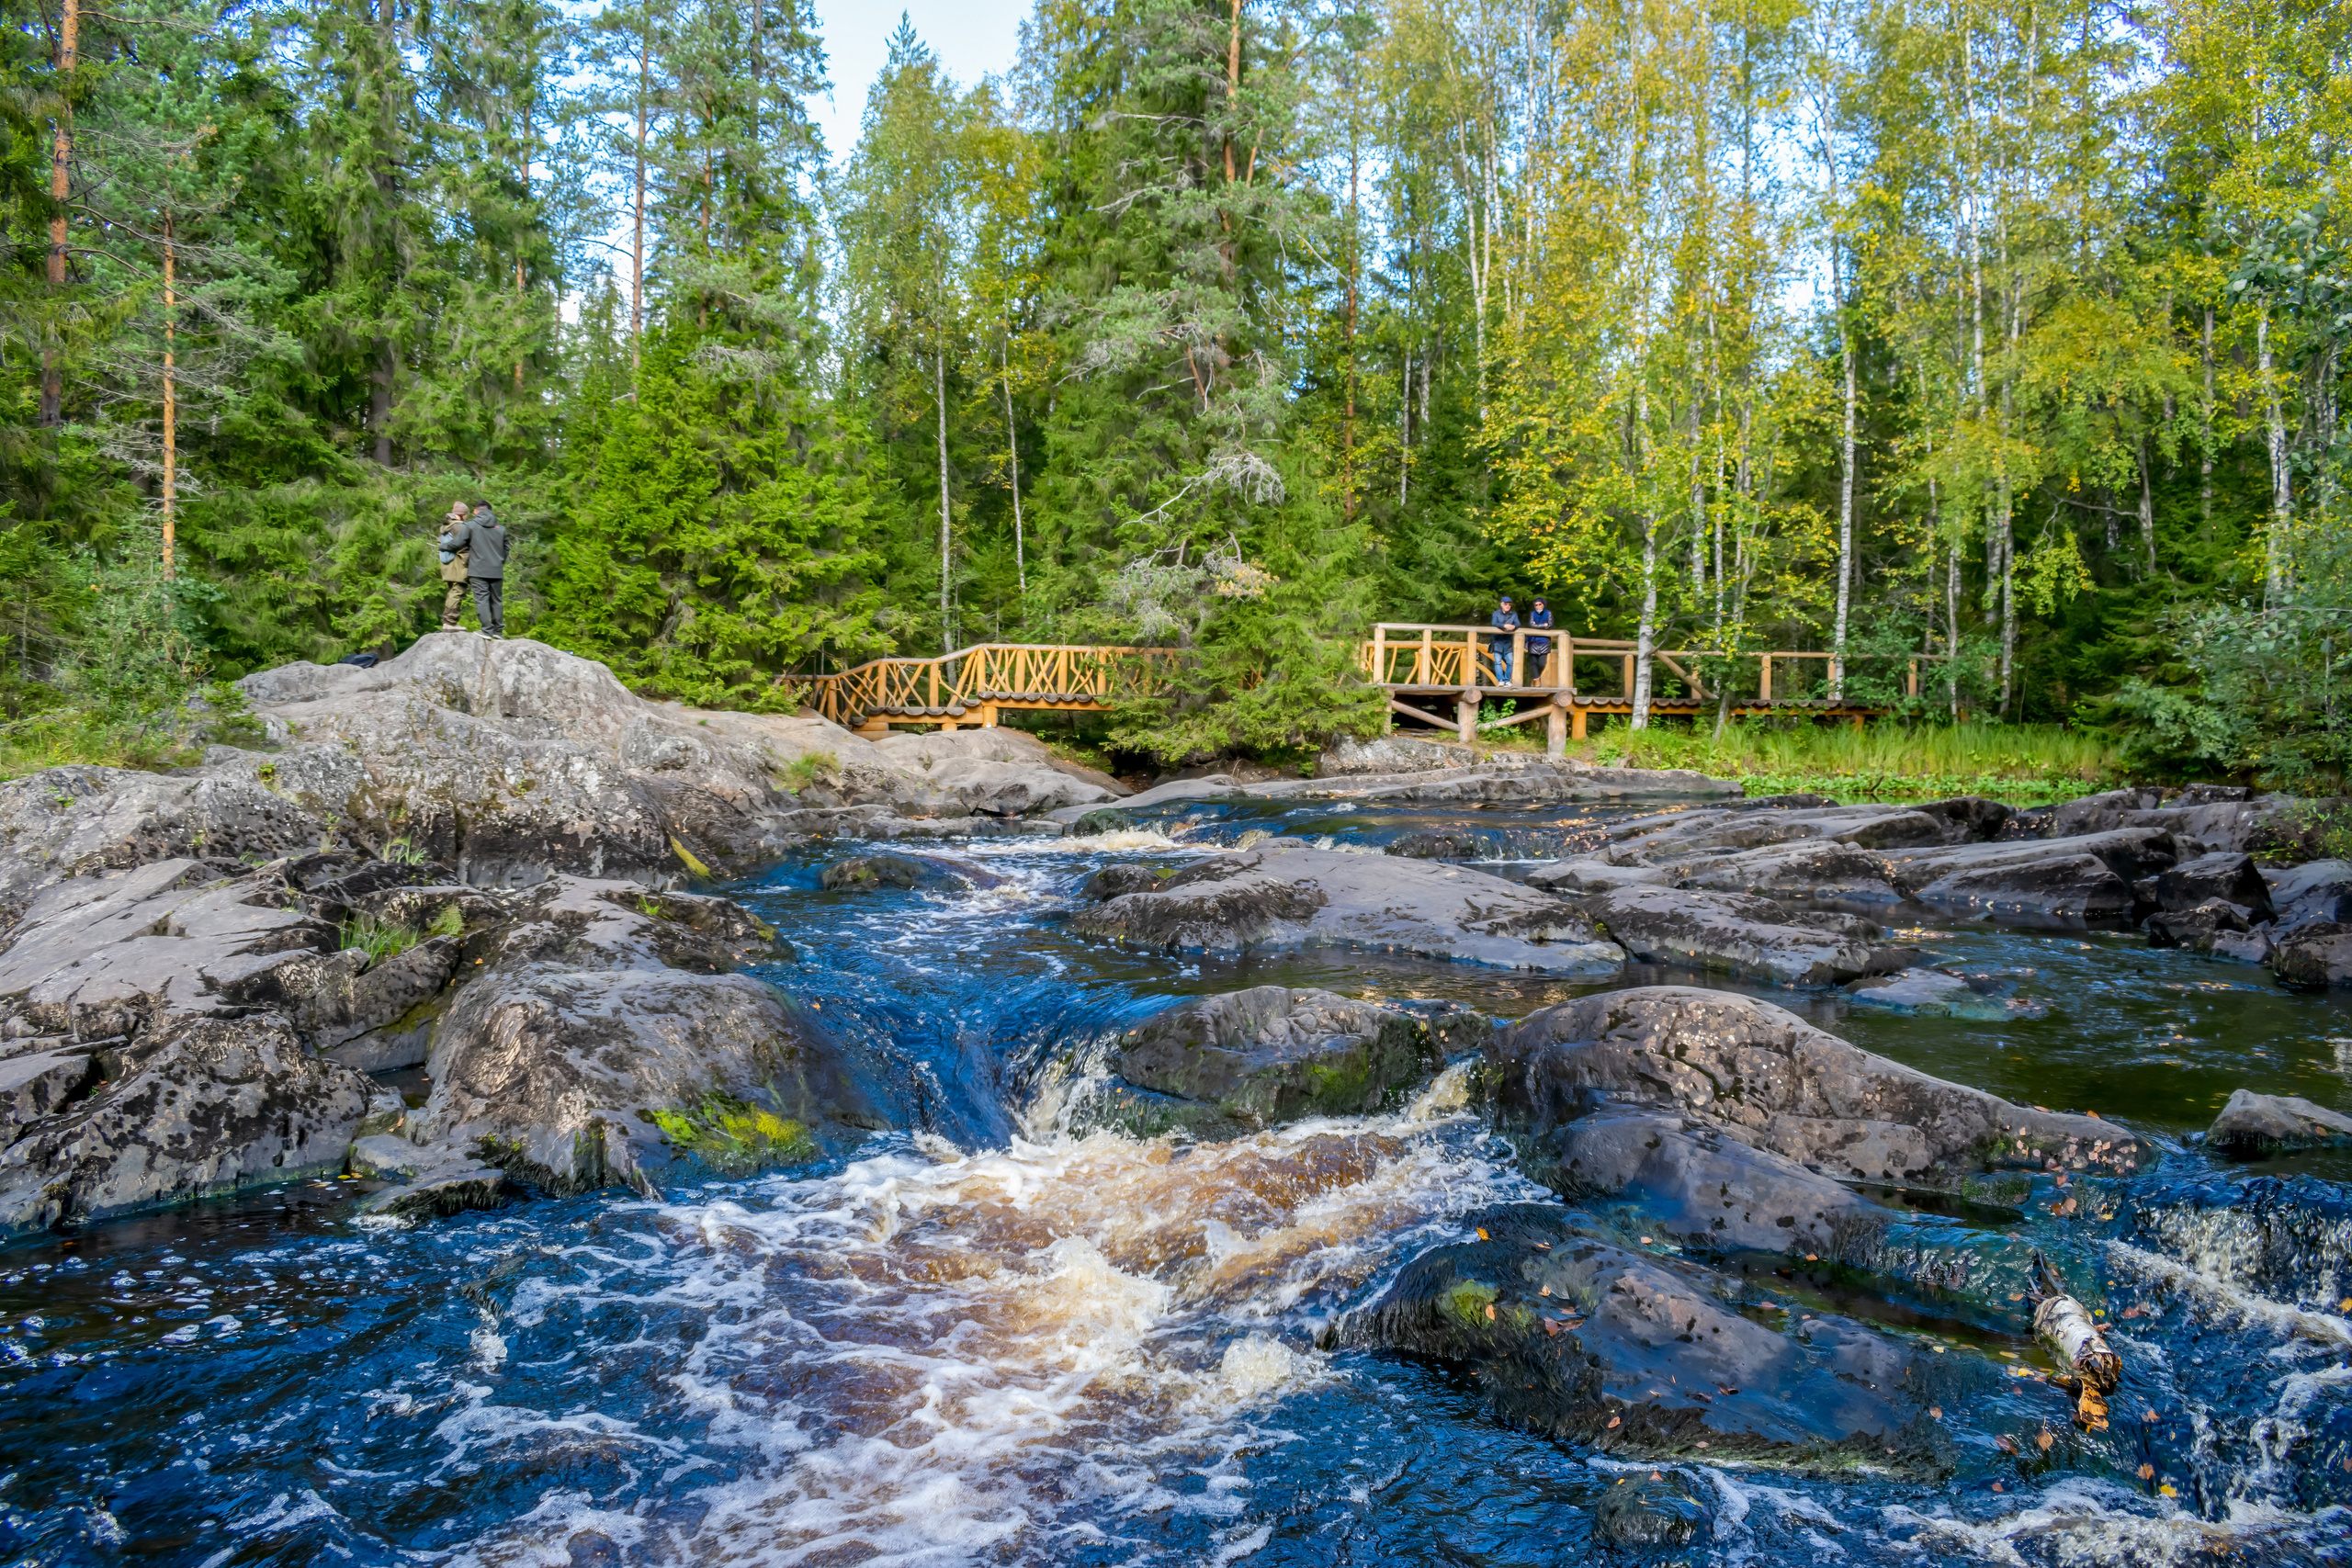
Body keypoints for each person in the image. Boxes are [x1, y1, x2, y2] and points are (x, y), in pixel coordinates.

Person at [458, 502, 507, 638]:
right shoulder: (501, 529)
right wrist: (500, 561)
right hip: (496, 570)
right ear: (490, 511)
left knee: (482, 600)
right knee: (497, 600)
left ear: (475, 511)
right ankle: (498, 632)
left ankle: (487, 630)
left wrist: (444, 547)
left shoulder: (471, 526)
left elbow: (458, 543)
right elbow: (506, 548)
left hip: (478, 570)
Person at [435, 502, 471, 631]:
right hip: (458, 565)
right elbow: (465, 547)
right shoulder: (460, 527)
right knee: (457, 591)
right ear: (463, 515)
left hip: (447, 565)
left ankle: (447, 621)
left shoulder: (445, 526)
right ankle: (450, 622)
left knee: (453, 591)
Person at [1488, 595, 1519, 685]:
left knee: (1510, 662)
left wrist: (1513, 626)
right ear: (1502, 604)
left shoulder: (1513, 614)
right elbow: (1494, 623)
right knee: (1497, 662)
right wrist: (1505, 626)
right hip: (1497, 641)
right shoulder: (1496, 613)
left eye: (1509, 605)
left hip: (1508, 641)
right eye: (1506, 604)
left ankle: (1507, 680)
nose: (1508, 606)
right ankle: (1500, 680)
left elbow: (1518, 623)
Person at [1525, 597, 1554, 683]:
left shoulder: (1548, 613)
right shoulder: (1532, 614)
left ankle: (1536, 677)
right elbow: (1531, 625)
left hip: (1544, 641)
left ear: (1543, 604)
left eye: (1540, 604)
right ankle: (1536, 679)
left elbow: (1550, 625)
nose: (1538, 606)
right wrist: (1543, 625)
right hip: (1533, 641)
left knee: (1542, 663)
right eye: (1536, 605)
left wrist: (1537, 625)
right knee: (1533, 662)